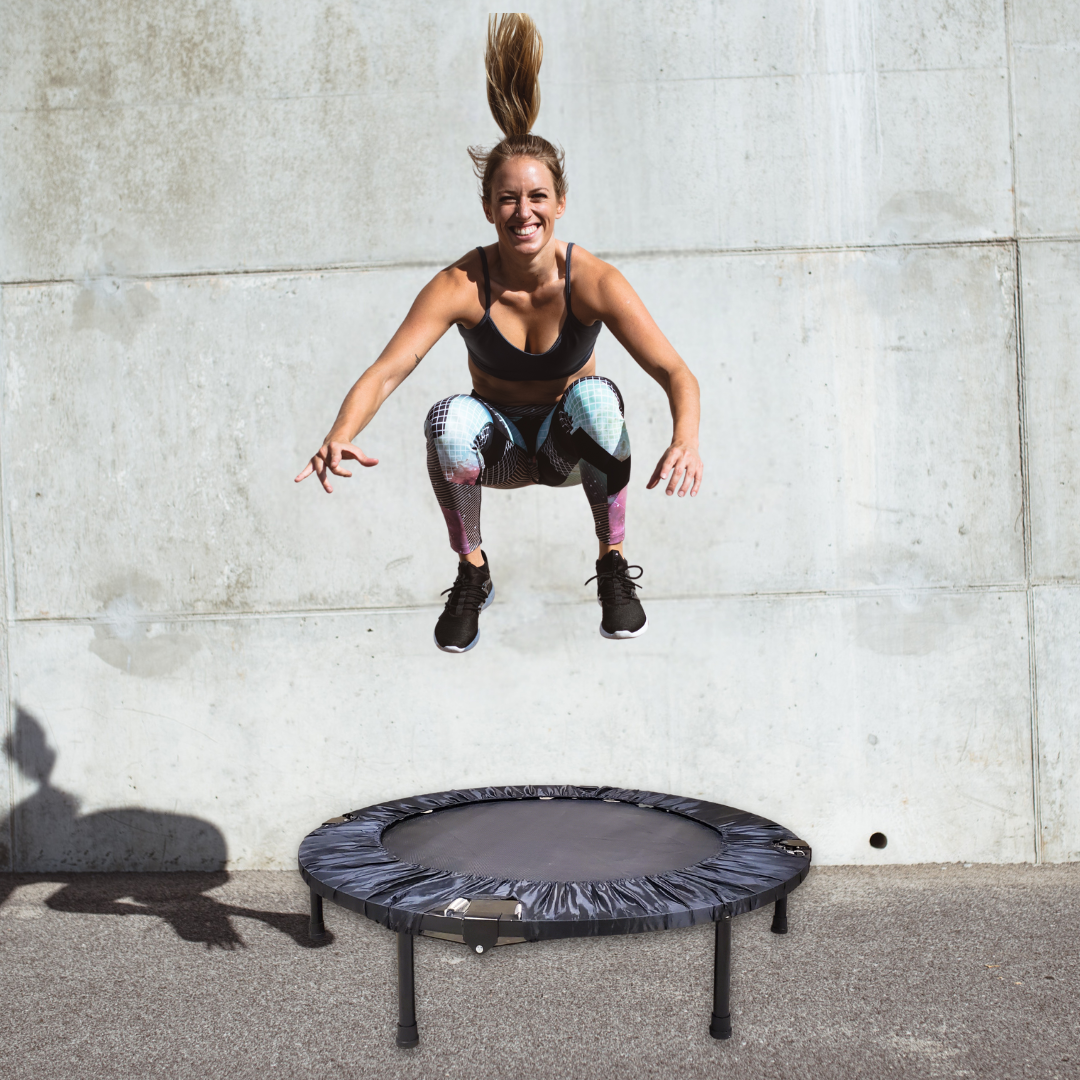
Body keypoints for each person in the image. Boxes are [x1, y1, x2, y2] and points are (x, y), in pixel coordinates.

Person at [296, 14, 702, 653]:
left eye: (537, 197)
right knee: (445, 420)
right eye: (508, 200)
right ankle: (472, 572)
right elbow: (387, 371)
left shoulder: (591, 281)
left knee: (599, 398)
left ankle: (613, 565)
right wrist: (339, 435)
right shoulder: (461, 284)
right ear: (489, 208)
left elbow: (676, 372)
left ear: (559, 202)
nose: (524, 212)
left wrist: (686, 439)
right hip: (502, 452)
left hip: (571, 451)